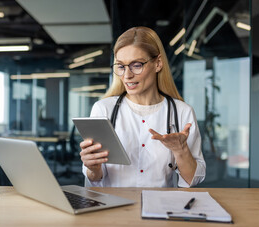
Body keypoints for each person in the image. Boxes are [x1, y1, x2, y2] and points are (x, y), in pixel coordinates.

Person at [79, 26, 206, 188]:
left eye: (136, 65)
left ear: (158, 63)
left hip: (162, 208)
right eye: (121, 66)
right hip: (114, 208)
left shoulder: (182, 112)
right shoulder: (103, 109)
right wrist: (92, 167)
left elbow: (192, 180)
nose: (127, 75)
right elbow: (95, 178)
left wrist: (181, 150)